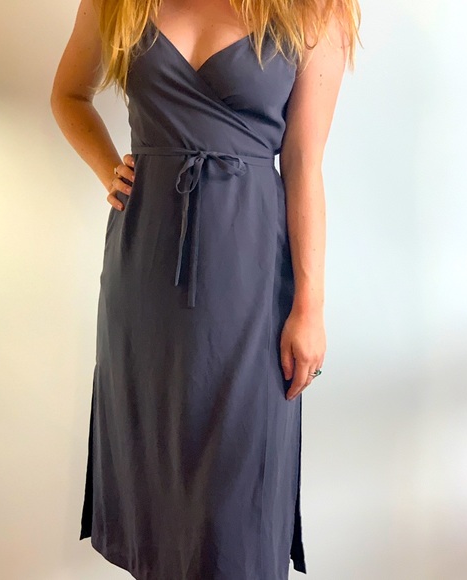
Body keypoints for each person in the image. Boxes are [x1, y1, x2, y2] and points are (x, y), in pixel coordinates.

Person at [51, 0, 361, 578]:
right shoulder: (118, 3)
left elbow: (302, 162)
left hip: (250, 274)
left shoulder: (315, 11)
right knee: (154, 477)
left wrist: (310, 306)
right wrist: (107, 167)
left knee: (238, 500)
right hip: (144, 268)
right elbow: (68, 95)